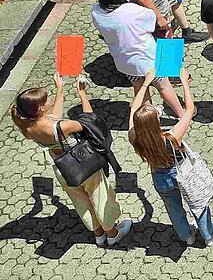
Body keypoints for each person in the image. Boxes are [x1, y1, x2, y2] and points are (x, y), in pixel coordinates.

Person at [11, 76, 132, 247]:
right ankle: (112, 233)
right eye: (48, 100)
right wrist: (82, 94)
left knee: (80, 201)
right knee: (100, 196)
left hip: (63, 169)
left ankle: (98, 234)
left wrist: (60, 88)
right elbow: (90, 120)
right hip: (84, 164)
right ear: (40, 108)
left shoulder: (29, 127)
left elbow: (54, 117)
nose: (51, 100)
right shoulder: (64, 126)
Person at [129, 67, 213, 247]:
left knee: (174, 208)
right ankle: (209, 236)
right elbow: (189, 110)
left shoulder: (133, 136)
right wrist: (185, 83)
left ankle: (187, 236)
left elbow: (134, 109)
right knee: (198, 203)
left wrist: (145, 84)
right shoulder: (171, 136)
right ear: (156, 121)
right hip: (181, 174)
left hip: (159, 177)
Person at [91, 0, 184, 118]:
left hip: (124, 62)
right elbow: (152, 21)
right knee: (164, 86)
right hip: (148, 59)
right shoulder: (130, 11)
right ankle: (182, 114)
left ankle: (151, 119)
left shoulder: (96, 11)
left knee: (140, 88)